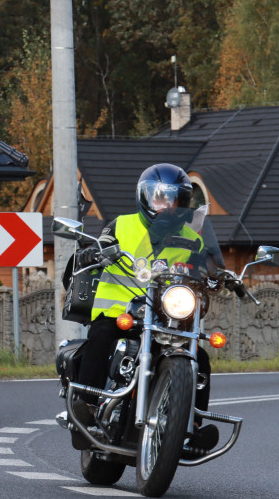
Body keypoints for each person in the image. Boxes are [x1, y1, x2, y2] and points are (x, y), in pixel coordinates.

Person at [65, 163, 218, 449]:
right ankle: (86, 406)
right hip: (119, 313)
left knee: (201, 356)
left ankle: (192, 427)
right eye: (161, 198)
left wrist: (219, 277)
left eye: (176, 199)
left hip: (165, 319)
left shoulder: (194, 240)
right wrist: (90, 253)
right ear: (145, 197)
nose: (168, 205)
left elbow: (204, 270)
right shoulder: (120, 224)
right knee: (99, 338)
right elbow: (101, 244)